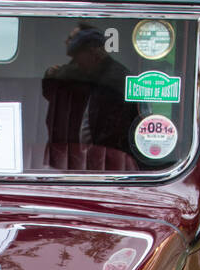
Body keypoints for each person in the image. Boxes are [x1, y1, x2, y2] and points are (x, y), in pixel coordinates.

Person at [42, 23, 136, 169]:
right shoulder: (78, 73)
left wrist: (96, 156)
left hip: (105, 162)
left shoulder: (116, 80)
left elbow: (114, 132)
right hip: (75, 157)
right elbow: (51, 93)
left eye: (78, 56)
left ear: (94, 52)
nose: (76, 62)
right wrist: (49, 75)